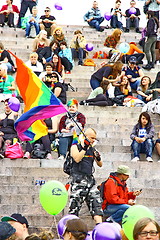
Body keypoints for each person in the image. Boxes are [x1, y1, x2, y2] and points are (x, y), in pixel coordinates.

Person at [68, 128, 103, 224]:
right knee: (74, 207)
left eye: (95, 139)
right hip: (78, 180)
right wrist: (85, 148)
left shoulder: (92, 149)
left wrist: (98, 157)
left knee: (97, 205)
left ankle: (99, 227)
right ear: (85, 136)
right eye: (92, 138)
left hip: (90, 180)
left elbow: (100, 164)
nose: (93, 140)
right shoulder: (75, 146)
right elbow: (77, 158)